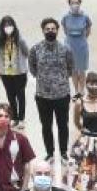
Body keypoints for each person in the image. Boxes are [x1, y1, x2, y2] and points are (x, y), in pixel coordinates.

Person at [28, 17, 75, 163]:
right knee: (46, 126)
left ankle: (63, 152)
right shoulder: (35, 49)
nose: (50, 31)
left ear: (57, 30)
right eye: (47, 29)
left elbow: (70, 68)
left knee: (63, 125)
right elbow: (33, 68)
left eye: (53, 29)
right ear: (43, 31)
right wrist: (45, 80)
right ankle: (49, 153)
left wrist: (59, 81)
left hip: (62, 94)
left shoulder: (65, 49)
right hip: (43, 95)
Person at [0, 15, 29, 125]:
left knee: (21, 96)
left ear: (14, 26)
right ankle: (14, 117)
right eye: (5, 25)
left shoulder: (20, 39)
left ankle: (21, 118)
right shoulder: (0, 40)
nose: (7, 27)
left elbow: (26, 52)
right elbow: (1, 54)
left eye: (9, 25)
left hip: (19, 73)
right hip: (6, 73)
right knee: (11, 97)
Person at [62, 0, 93, 96]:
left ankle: (82, 90)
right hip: (70, 46)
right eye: (72, 3)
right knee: (74, 70)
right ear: (69, 4)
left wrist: (82, 39)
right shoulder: (65, 17)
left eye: (76, 2)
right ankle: (76, 90)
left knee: (82, 69)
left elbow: (88, 31)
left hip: (81, 46)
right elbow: (65, 31)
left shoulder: (85, 17)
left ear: (80, 3)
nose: (75, 4)